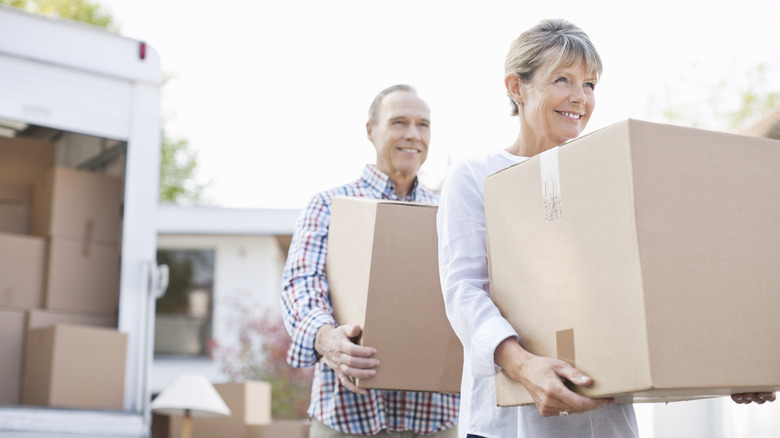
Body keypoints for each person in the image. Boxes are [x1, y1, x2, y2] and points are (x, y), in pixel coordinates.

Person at [435, 18, 775, 438]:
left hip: (608, 423)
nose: (580, 98)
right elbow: (464, 291)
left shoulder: (606, 175)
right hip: (512, 424)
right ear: (515, 87)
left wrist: (732, 364)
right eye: (562, 79)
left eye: (590, 84)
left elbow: (660, 287)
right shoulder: (474, 177)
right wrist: (524, 367)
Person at [281, 84, 460, 437]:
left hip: (434, 420)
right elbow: (301, 285)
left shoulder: (448, 215)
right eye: (399, 122)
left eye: (423, 125)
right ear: (370, 130)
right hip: (347, 417)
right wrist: (327, 339)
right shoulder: (329, 205)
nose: (413, 134)